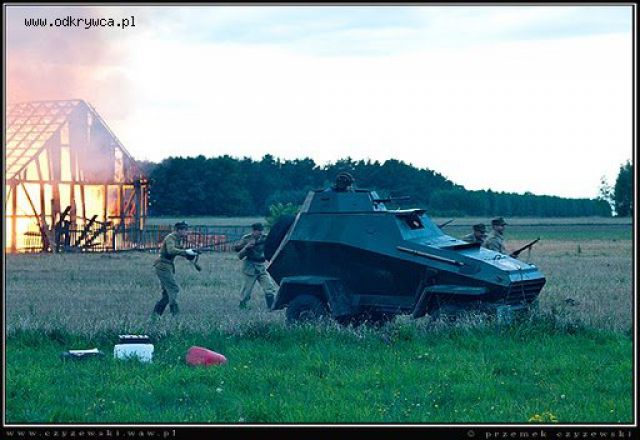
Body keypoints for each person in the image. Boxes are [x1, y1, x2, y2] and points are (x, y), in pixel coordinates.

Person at [151, 221, 197, 317]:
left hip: (167, 266)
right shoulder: (171, 238)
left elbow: (180, 251)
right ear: (179, 230)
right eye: (185, 230)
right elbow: (171, 250)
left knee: (167, 293)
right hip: (163, 266)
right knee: (173, 288)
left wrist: (192, 253)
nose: (187, 232)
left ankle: (156, 314)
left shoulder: (177, 239)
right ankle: (175, 312)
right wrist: (185, 252)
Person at [234, 222, 278, 310]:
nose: (260, 233)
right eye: (258, 231)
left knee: (269, 287)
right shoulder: (246, 239)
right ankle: (242, 306)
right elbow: (240, 255)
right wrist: (247, 247)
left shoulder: (265, 238)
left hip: (261, 266)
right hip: (249, 267)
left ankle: (271, 308)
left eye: (261, 230)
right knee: (246, 291)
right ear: (253, 231)